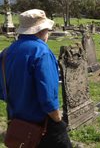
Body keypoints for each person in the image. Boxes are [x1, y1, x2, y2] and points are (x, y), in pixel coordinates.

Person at [0, 9, 72, 147]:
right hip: (42, 126)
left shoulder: (7, 52)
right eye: (47, 30)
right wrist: (58, 121)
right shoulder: (42, 52)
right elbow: (48, 99)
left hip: (17, 123)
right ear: (40, 30)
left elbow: (2, 91)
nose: (48, 33)